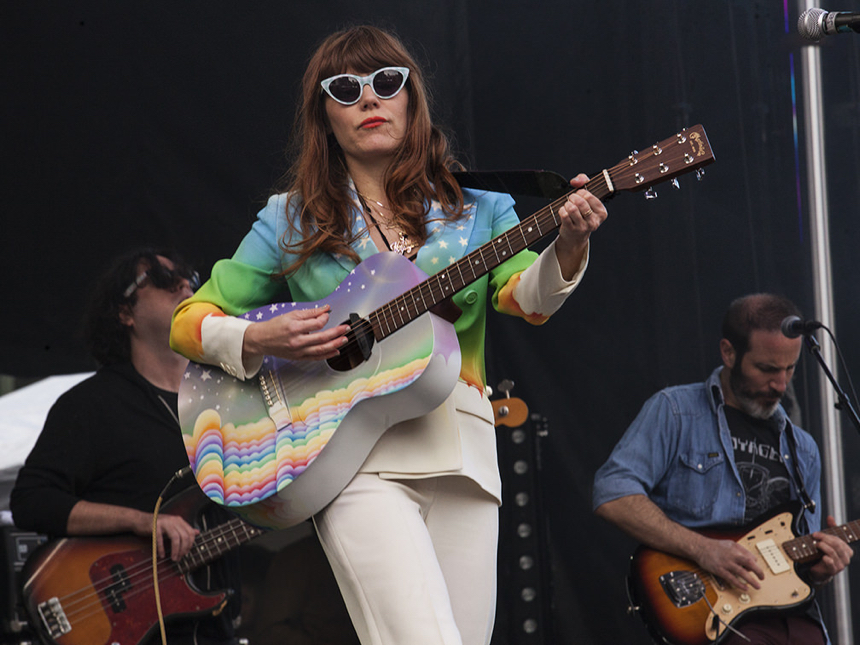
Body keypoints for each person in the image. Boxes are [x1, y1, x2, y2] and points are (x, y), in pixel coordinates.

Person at [168, 25, 607, 645]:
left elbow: (524, 300)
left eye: (386, 82)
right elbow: (188, 320)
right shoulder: (289, 217)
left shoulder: (479, 206)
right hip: (352, 458)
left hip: (465, 453)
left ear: (411, 99)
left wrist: (570, 242)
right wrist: (260, 340)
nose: (369, 99)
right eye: (345, 89)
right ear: (324, 116)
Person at [592, 293, 854, 645]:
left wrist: (822, 571)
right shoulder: (675, 411)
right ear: (729, 353)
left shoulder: (803, 447)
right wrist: (703, 550)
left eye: (789, 369)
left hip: (792, 618)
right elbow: (612, 494)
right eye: (766, 369)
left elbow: (800, 564)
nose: (780, 384)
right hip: (715, 611)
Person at [11, 248, 241, 645]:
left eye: (189, 278)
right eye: (164, 280)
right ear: (125, 313)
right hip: (122, 623)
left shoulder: (227, 401)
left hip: (210, 625)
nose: (185, 286)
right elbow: (31, 501)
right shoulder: (90, 405)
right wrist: (142, 522)